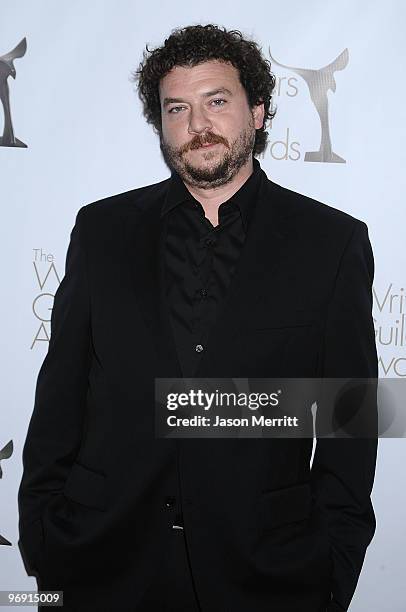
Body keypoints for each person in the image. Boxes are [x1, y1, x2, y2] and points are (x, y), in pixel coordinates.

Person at [18, 24, 378, 612]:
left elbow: (352, 416)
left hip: (268, 571)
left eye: (217, 101)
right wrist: (43, 536)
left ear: (258, 111)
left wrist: (332, 564)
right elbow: (60, 394)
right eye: (176, 107)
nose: (197, 124)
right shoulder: (102, 230)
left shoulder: (331, 243)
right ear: (160, 122)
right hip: (102, 563)